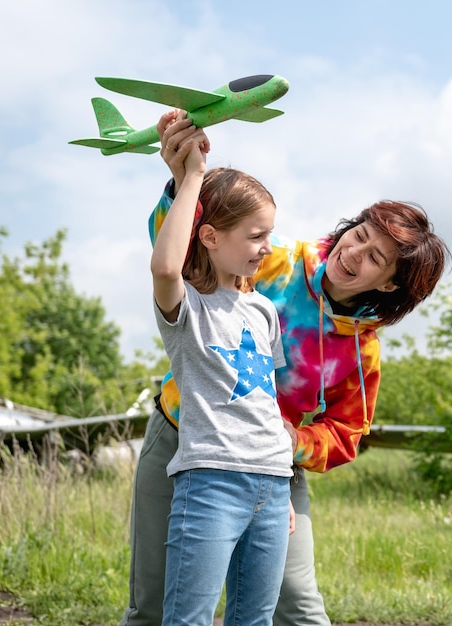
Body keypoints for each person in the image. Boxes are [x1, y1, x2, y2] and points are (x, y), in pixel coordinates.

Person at [119, 111, 451, 626]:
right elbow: (180, 256)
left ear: (389, 284)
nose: (355, 252)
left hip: (273, 469)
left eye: (377, 257)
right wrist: (181, 183)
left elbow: (345, 433)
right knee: (157, 601)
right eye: (360, 234)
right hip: (184, 436)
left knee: (296, 604)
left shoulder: (361, 353)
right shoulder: (273, 260)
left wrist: (289, 442)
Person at [150, 126, 294, 626]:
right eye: (255, 236)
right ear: (209, 236)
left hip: (272, 487)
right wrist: (193, 176)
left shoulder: (264, 311)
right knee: (187, 618)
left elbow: (268, 404)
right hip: (210, 483)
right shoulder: (190, 307)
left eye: (269, 234)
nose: (266, 247)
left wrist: (282, 487)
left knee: (254, 619)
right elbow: (166, 267)